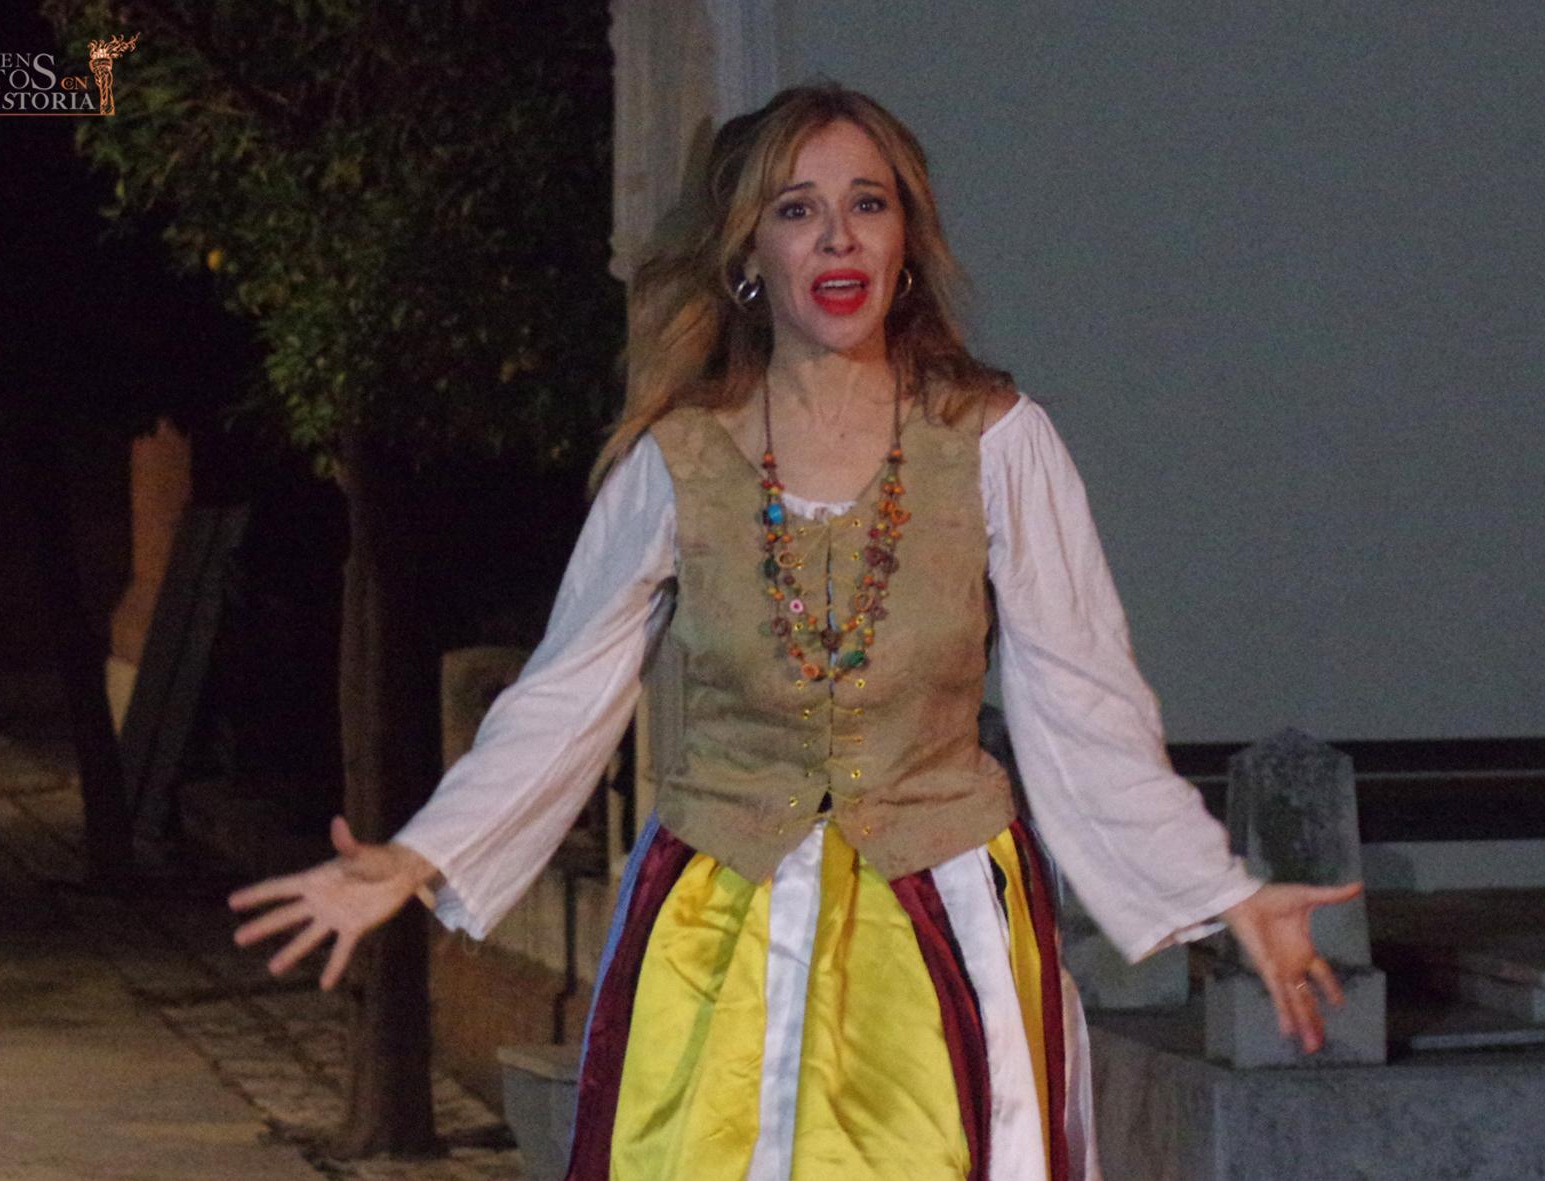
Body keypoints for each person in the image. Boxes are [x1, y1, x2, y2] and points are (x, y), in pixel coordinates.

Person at [231, 84, 1361, 1181]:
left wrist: (1221, 891)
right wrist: (416, 856)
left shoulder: (994, 439)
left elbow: (1084, 698)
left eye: (868, 202)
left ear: (905, 243)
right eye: (796, 207)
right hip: (716, 921)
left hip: (942, 916)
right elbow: (563, 695)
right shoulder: (679, 460)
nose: (837, 235)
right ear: (748, 254)